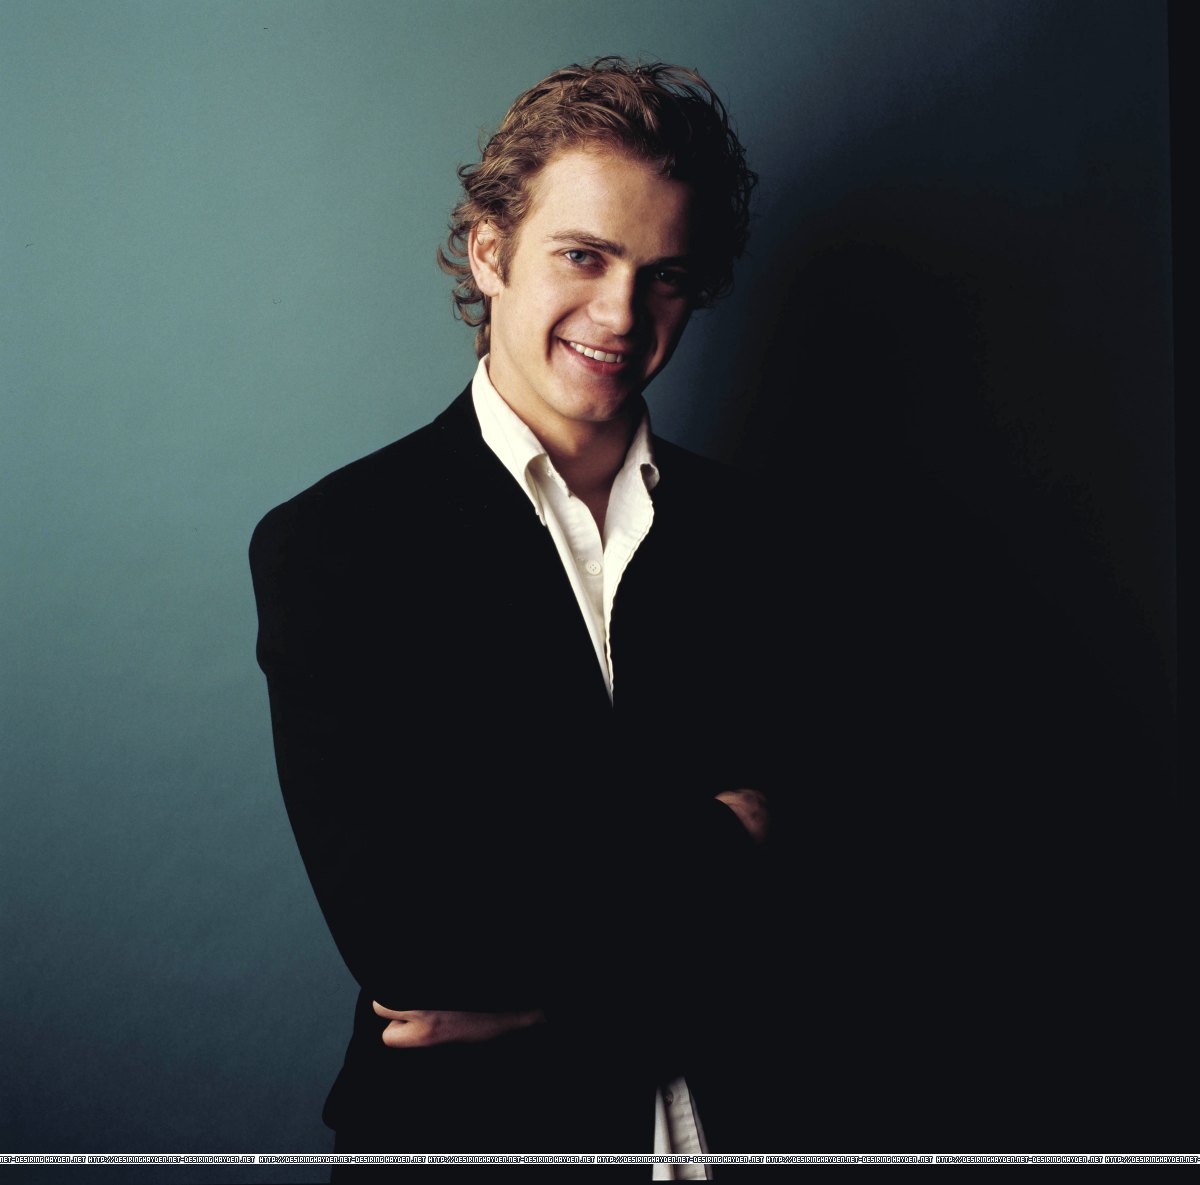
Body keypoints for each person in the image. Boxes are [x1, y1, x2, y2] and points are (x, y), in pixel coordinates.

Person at [250, 57, 781, 1164]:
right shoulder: (338, 546)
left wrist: (535, 989)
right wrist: (712, 838)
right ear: (490, 254)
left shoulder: (761, 538)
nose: (621, 313)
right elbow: (411, 937)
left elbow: (819, 902)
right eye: (584, 255)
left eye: (665, 275)